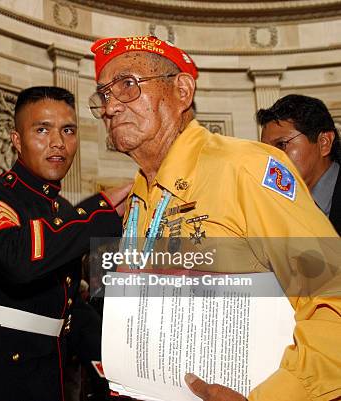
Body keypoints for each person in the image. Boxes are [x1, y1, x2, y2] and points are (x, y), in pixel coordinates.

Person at [88, 35, 341, 401]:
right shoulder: (141, 194)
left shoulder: (245, 168)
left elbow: (332, 295)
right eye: (104, 95)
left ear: (182, 90)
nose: (110, 107)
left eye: (127, 85)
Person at [0, 86, 129, 401]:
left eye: (68, 130)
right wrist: (98, 210)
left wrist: (124, 366)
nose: (58, 142)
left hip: (51, 372)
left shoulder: (60, 213)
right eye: (42, 129)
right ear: (17, 140)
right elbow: (18, 261)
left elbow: (71, 309)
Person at [257, 94, 340, 234]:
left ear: (324, 142)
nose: (271, 159)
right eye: (266, 151)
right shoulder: (270, 207)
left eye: (281, 145)